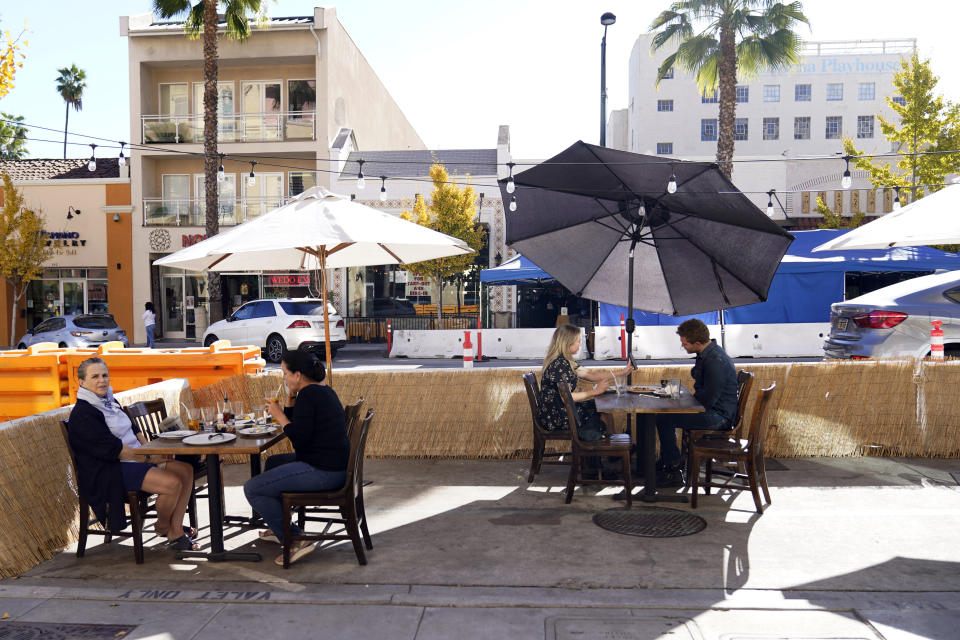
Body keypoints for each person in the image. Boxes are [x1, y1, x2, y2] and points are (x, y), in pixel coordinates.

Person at [67, 357, 198, 550]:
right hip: (109, 469)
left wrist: (150, 449)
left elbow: (134, 428)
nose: (102, 380)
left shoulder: (109, 401)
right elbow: (116, 451)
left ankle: (175, 529)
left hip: (135, 457)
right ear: (82, 382)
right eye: (95, 376)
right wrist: (151, 457)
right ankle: (163, 526)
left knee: (186, 470)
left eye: (105, 375)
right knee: (172, 484)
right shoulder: (84, 413)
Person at [244, 350, 350, 566]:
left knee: (253, 488)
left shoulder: (309, 396)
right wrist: (290, 398)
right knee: (272, 462)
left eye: (285, 373)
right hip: (333, 464)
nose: (283, 378)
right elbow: (301, 424)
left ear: (298, 375)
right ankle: (280, 525)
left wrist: (280, 415)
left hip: (324, 472)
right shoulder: (320, 391)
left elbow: (298, 439)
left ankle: (295, 539)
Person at [655, 318, 739, 487]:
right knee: (665, 415)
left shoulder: (715, 361)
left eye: (685, 344)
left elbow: (708, 400)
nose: (683, 347)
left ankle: (673, 467)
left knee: (664, 418)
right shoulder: (707, 354)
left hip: (719, 417)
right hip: (715, 410)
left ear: (698, 343)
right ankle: (667, 462)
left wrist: (682, 403)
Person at [538, 324, 633, 440]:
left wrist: (621, 373)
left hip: (558, 410)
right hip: (556, 417)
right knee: (602, 409)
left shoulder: (565, 362)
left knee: (603, 407)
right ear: (568, 343)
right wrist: (596, 392)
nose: (580, 344)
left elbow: (591, 375)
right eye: (578, 341)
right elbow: (566, 398)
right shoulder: (560, 365)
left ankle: (610, 448)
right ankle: (605, 449)